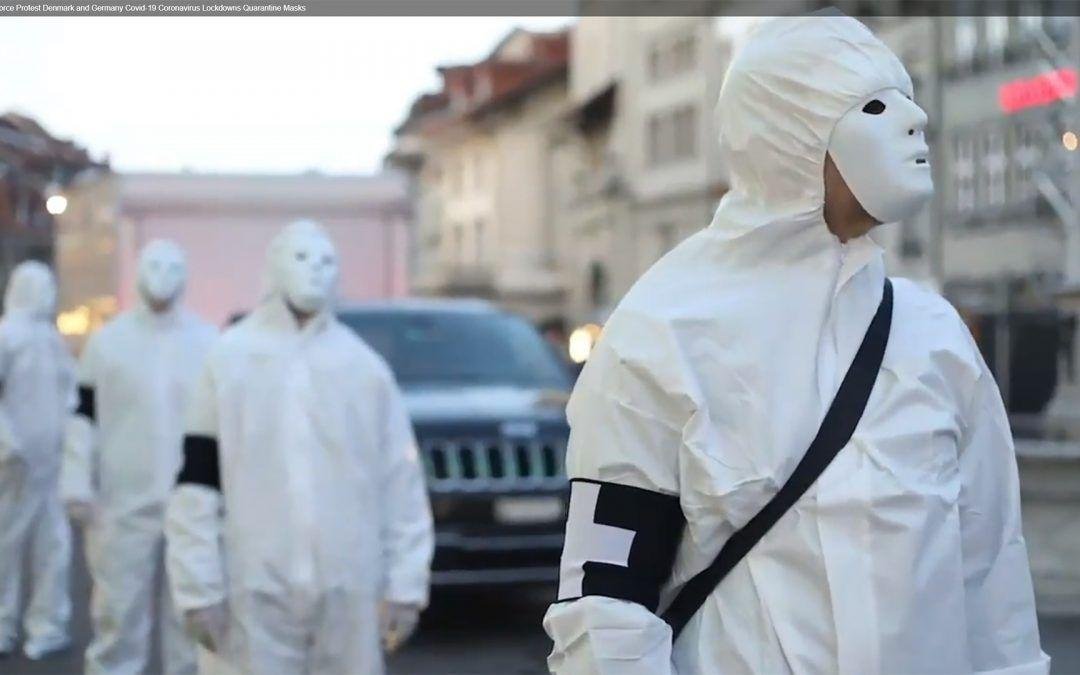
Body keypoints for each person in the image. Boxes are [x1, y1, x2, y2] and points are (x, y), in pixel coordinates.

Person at [543, 14, 1049, 675]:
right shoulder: (661, 333)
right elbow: (605, 600)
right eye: (872, 105)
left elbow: (990, 569)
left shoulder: (934, 337)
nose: (915, 120)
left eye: (907, 97)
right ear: (789, 139)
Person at [165, 219, 434, 675]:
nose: (315, 271)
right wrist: (198, 589)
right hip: (251, 588)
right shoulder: (230, 360)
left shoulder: (363, 369)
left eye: (327, 261)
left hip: (349, 588)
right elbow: (197, 481)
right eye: (302, 258)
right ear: (274, 268)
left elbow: (400, 483)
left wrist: (406, 584)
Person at [63, 240, 215, 675]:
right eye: (155, 265)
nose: (163, 275)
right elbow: (83, 418)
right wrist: (77, 480)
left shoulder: (207, 343)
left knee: (191, 617)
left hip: (190, 505)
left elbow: (223, 428)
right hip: (121, 501)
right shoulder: (108, 344)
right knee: (117, 615)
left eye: (172, 266)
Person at [0, 261, 74, 660]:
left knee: (53, 545)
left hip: (51, 463)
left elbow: (69, 390)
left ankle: (48, 624)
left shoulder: (51, 339)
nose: (48, 292)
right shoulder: (6, 335)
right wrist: (7, 443)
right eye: (40, 285)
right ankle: (2, 621)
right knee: (5, 545)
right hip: (14, 463)